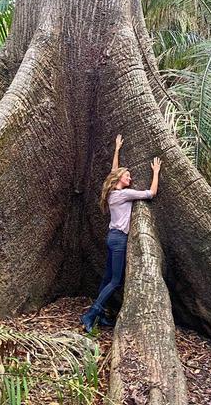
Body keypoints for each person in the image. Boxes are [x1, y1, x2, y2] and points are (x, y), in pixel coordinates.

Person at [80, 134, 162, 333]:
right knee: (116, 281)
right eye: (128, 176)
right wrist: (156, 172)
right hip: (119, 241)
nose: (130, 178)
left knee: (107, 278)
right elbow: (151, 194)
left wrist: (117, 150)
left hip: (112, 238)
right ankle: (90, 314)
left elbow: (113, 171)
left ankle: (99, 315)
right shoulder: (124, 194)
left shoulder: (111, 193)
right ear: (120, 180)